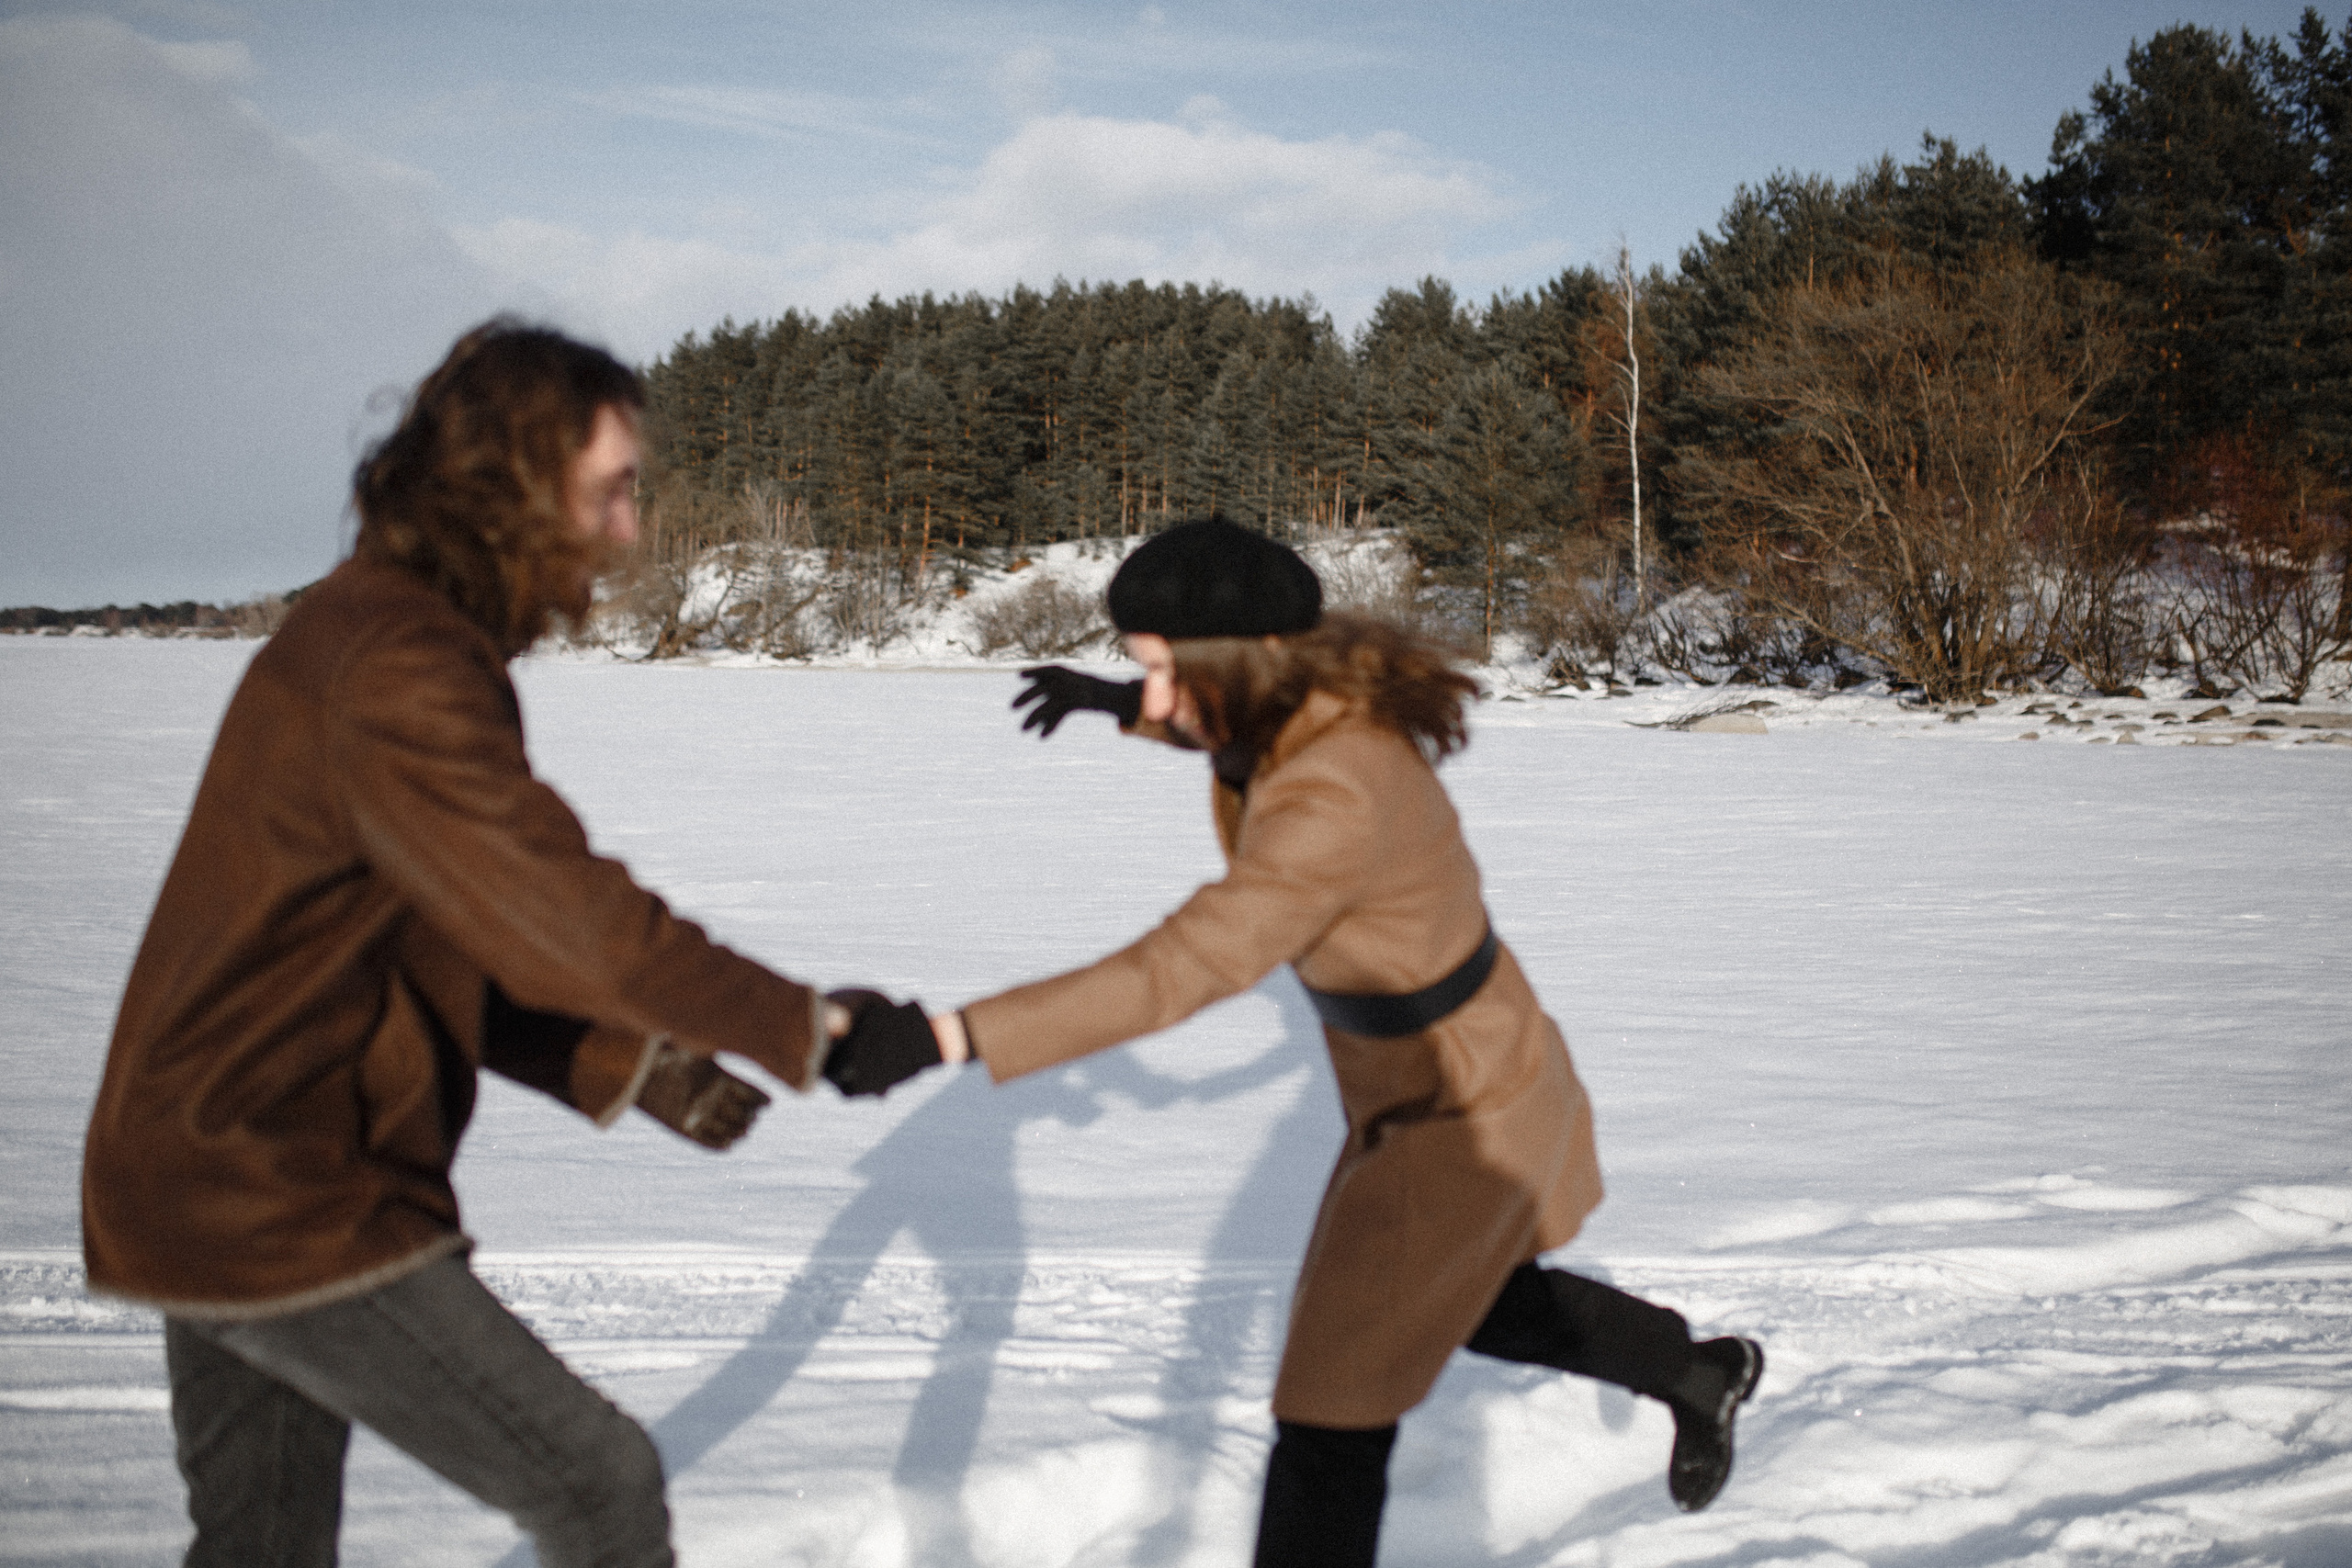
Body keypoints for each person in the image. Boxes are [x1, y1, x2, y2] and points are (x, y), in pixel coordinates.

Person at [80, 320, 942, 1568]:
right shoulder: (401, 661)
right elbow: (561, 909)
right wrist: (807, 1026)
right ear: (511, 487)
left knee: (261, 1544)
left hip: (196, 1168)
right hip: (286, 1185)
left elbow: (432, 938)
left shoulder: (376, 630)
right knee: (598, 1485)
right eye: (611, 491)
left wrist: (623, 1066)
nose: (629, 530)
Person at [939, 516, 1763, 1566]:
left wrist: (953, 1035)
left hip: (1463, 1106)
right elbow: (1233, 734)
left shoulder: (1334, 787)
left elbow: (1183, 966)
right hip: (1440, 1077)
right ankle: (1697, 1373)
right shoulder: (1303, 707)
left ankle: (1692, 1372)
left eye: (1150, 665)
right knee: (1481, 1302)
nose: (1140, 682)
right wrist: (1124, 706)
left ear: (1227, 664)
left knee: (1331, 1409)